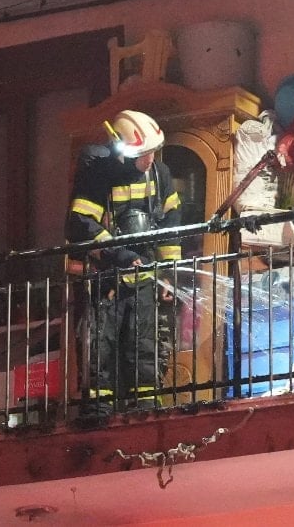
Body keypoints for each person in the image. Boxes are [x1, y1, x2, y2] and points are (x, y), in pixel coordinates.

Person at [66, 109, 182, 418]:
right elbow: (82, 223)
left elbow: (171, 226)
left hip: (146, 274)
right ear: (122, 151)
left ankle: (145, 403)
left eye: (153, 152)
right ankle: (99, 406)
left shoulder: (160, 174)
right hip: (107, 276)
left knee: (144, 341)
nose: (149, 160)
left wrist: (169, 274)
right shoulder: (98, 173)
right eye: (143, 154)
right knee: (101, 343)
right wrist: (121, 256)